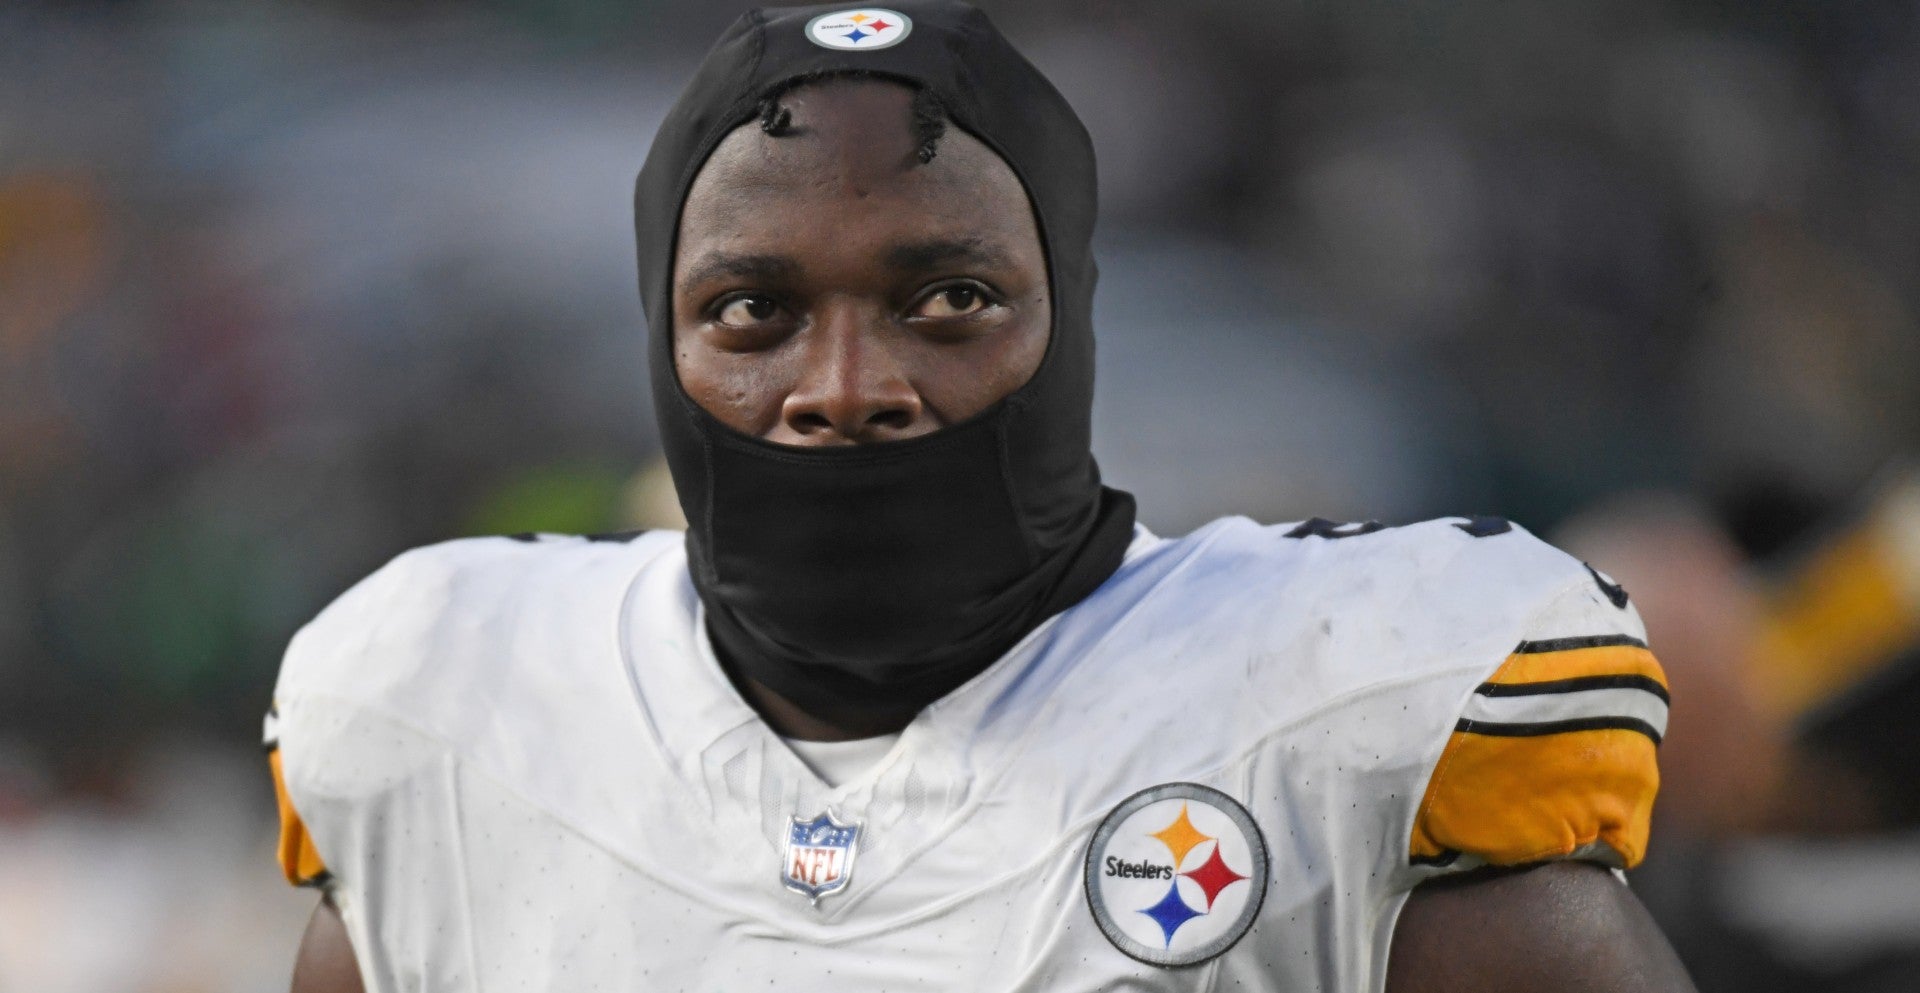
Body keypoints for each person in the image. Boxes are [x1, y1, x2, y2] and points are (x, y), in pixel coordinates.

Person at [266, 3, 1697, 990]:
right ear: (664, 337)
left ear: (1068, 323)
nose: (844, 382)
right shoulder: (446, 722)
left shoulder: (1345, 714)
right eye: (753, 310)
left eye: (946, 297)